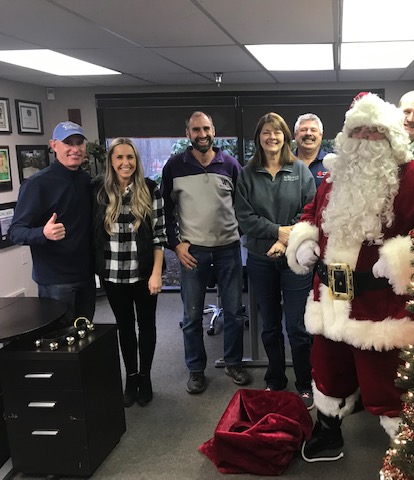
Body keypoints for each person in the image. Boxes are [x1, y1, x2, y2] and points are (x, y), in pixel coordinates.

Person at [286, 93, 414, 461]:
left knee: (385, 382)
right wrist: (305, 238)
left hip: (380, 308)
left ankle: (407, 451)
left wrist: (406, 258)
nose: (367, 140)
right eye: (360, 132)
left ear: (393, 138)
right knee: (327, 369)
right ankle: (328, 433)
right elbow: (312, 212)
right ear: (348, 138)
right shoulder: (334, 176)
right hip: (331, 298)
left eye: (377, 133)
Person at [161, 111, 250, 394]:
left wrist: (239, 235)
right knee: (191, 316)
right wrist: (175, 243)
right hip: (192, 252)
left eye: (207, 128)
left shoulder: (231, 164)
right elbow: (163, 211)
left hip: (228, 250)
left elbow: (244, 207)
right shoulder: (175, 166)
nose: (202, 134)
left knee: (235, 312)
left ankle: (233, 363)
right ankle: (196, 370)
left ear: (214, 131)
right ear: (187, 133)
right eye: (196, 129)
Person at [235, 112, 316, 409]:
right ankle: (275, 378)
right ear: (259, 137)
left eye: (277, 132)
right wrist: (276, 233)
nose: (272, 137)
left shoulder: (300, 170)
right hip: (260, 259)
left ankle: (305, 383)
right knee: (269, 324)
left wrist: (286, 241)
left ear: (286, 137)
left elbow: (309, 212)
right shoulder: (247, 174)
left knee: (297, 325)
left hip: (295, 259)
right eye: (266, 132)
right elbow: (244, 217)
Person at [93, 138, 167, 407]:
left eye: (130, 157)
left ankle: (145, 377)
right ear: (111, 162)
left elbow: (160, 236)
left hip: (144, 273)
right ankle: (131, 377)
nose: (125, 163)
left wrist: (157, 273)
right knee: (124, 326)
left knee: (146, 325)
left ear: (136, 161)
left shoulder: (150, 189)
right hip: (112, 275)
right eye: (119, 157)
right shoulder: (99, 191)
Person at [9, 121, 95, 324]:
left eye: (79, 143)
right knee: (60, 341)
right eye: (68, 143)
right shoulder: (37, 184)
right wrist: (43, 233)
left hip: (86, 274)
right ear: (54, 145)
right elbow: (16, 231)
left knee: (86, 338)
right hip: (55, 279)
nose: (75, 149)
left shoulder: (86, 180)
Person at [293, 113, 328, 187]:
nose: (308, 133)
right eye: (303, 130)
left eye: (313, 130)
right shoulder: (284, 162)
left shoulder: (332, 164)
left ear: (321, 136)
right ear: (295, 135)